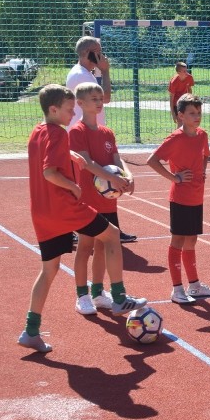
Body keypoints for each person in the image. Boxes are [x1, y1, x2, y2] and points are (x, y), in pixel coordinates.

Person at [18, 84, 147, 353]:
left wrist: (74, 159)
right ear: (53, 109)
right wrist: (72, 186)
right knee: (111, 235)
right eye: (68, 110)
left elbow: (60, 159)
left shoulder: (37, 132)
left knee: (49, 270)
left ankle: (31, 330)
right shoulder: (59, 133)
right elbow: (49, 173)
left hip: (41, 213)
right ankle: (120, 298)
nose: (71, 114)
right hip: (64, 208)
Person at [68, 82, 135, 316]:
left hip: (108, 199)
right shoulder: (77, 131)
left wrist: (127, 176)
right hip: (87, 199)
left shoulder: (107, 132)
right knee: (85, 246)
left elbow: (117, 158)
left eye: (100, 98)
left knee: (102, 245)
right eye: (93, 99)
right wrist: (112, 178)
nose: (98, 102)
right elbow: (86, 163)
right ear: (80, 103)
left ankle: (98, 292)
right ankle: (82, 295)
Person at [147, 93, 210, 304]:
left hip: (197, 196)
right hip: (180, 197)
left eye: (199, 112)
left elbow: (205, 155)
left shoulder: (202, 135)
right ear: (180, 116)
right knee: (178, 240)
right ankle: (177, 289)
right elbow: (152, 160)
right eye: (192, 113)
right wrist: (174, 178)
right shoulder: (175, 139)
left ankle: (195, 286)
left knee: (192, 240)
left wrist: (203, 170)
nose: (197, 116)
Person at [65, 36, 136, 243]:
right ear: (88, 53)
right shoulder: (80, 75)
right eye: (98, 51)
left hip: (95, 132)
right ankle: (80, 229)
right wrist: (105, 71)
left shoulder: (84, 72)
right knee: (90, 185)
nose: (102, 55)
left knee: (104, 182)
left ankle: (110, 228)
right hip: (84, 135)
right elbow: (105, 97)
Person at [168, 61, 195, 127]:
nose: (186, 73)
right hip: (176, 104)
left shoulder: (189, 77)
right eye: (184, 71)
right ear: (178, 73)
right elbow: (171, 99)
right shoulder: (174, 82)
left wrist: (190, 101)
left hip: (185, 101)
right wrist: (173, 114)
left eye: (186, 70)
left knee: (188, 122)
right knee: (180, 123)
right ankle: (178, 136)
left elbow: (189, 90)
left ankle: (187, 137)